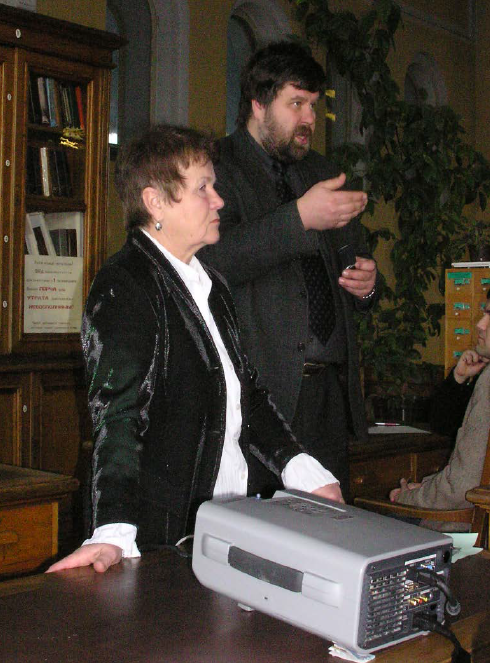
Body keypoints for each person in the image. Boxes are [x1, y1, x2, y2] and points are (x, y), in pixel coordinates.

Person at [47, 125, 343, 574]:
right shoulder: (125, 286)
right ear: (155, 202)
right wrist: (113, 531)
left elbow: (247, 395)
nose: (218, 200)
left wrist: (301, 468)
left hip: (224, 525)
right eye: (203, 188)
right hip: (161, 542)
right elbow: (119, 417)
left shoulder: (211, 284)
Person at [199, 41, 379, 495]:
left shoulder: (323, 172)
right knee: (260, 532)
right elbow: (212, 264)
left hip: (327, 397)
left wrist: (368, 284)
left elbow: (356, 261)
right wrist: (298, 218)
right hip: (259, 399)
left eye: (313, 106)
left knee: (330, 526)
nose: (309, 119)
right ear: (259, 104)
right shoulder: (216, 169)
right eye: (296, 104)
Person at [389, 291, 490, 531]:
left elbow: (463, 487)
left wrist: (408, 497)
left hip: (471, 531)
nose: (480, 324)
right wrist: (458, 379)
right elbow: (443, 426)